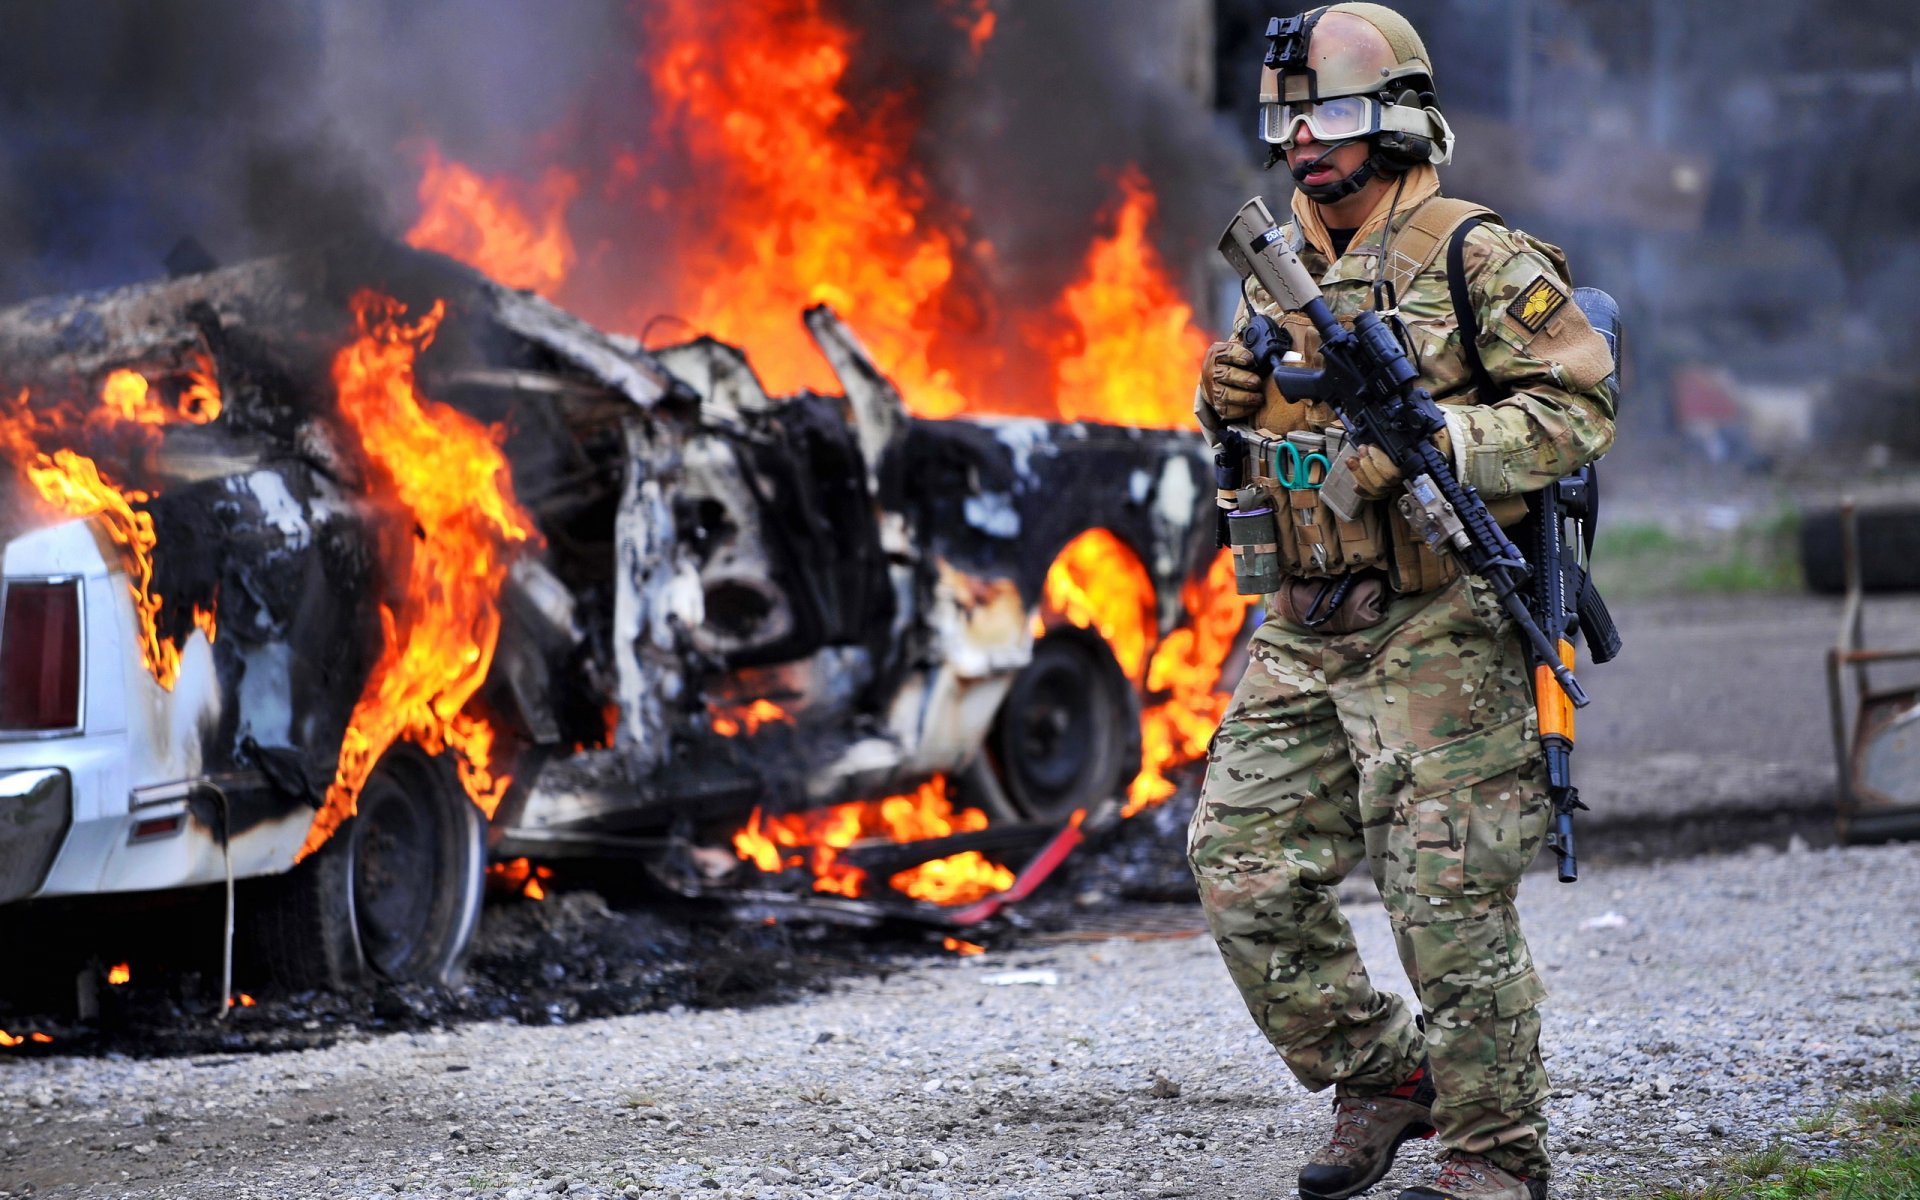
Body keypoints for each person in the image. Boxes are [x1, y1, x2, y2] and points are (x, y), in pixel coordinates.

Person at [1186, 6, 1616, 1200]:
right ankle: (1383, 1075)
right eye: (1288, 121)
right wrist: (1226, 398)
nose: (1304, 143)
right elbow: (1262, 439)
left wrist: (1444, 440)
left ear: (1396, 117)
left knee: (1446, 892)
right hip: (1307, 626)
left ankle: (1492, 1154)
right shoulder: (1284, 266)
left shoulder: (1477, 254)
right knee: (1239, 865)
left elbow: (1580, 405)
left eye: (1325, 117)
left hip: (1439, 623)